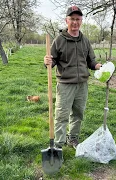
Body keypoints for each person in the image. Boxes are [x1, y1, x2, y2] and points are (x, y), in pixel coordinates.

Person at [44, 5, 102, 149]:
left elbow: (91, 61)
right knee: (62, 114)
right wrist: (48, 62)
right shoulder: (59, 40)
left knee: (78, 113)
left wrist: (97, 66)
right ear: (66, 20)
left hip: (82, 84)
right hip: (65, 84)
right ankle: (58, 143)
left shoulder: (85, 41)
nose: (75, 22)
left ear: (81, 20)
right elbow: (52, 60)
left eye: (78, 19)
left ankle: (73, 138)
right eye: (72, 19)